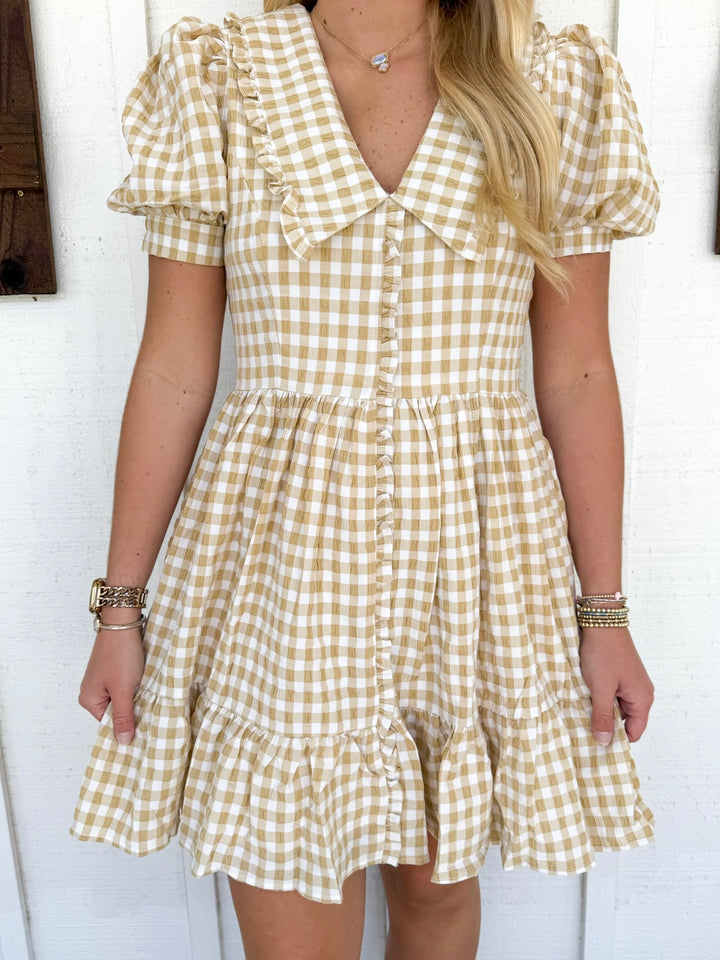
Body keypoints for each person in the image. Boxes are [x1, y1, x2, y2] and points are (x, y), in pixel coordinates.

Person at [70, 1, 659, 957]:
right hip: (282, 573)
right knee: (293, 913)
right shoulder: (223, 74)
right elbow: (174, 368)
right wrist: (120, 610)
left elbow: (578, 374)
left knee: (436, 900)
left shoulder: (547, 79)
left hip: (473, 569)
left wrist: (604, 614)